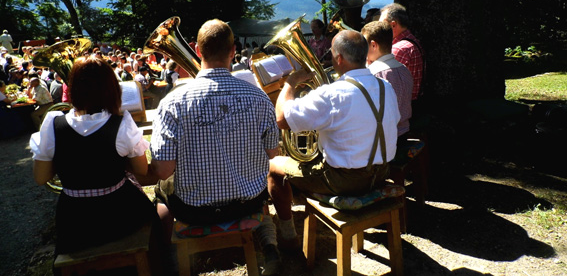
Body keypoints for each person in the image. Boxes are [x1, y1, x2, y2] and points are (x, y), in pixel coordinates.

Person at [150, 19, 282, 275]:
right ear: (233, 51)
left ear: (197, 51)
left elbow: (164, 170)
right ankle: (270, 246)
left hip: (194, 211)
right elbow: (272, 154)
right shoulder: (258, 96)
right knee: (257, 176)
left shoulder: (172, 102)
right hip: (249, 203)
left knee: (161, 191)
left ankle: (168, 258)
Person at [267, 30, 400, 247]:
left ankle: (288, 236)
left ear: (339, 58)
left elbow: (281, 119)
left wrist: (290, 84)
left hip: (344, 182)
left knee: (273, 166)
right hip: (382, 171)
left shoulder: (332, 94)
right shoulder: (386, 87)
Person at [29, 56, 159, 259]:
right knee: (157, 215)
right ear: (112, 89)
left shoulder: (52, 123)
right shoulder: (121, 123)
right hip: (120, 215)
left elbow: (40, 177)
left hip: (74, 223)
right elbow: (142, 170)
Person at [361, 21, 413, 140]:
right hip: (404, 132)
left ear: (373, 45)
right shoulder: (404, 69)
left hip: (384, 139)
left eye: (364, 45)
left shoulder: (374, 74)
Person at [379, 3, 425, 102]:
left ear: (393, 25)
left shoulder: (398, 49)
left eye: (382, 24)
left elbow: (383, 83)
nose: (379, 28)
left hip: (402, 107)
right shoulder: (411, 41)